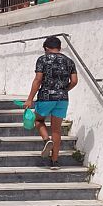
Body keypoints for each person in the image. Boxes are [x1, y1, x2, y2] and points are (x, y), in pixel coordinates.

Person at [23, 36, 78, 170]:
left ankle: (47, 140)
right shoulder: (69, 61)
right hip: (62, 99)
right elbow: (75, 81)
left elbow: (38, 79)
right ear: (59, 47)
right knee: (57, 130)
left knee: (38, 121)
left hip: (46, 97)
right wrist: (64, 90)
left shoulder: (43, 59)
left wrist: (30, 98)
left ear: (46, 48)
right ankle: (54, 162)